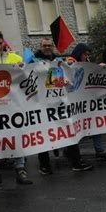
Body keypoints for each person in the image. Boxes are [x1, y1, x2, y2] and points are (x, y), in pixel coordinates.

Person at [28, 38, 93, 173]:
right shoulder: (32, 61)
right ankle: (44, 166)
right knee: (43, 135)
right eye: (44, 45)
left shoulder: (59, 61)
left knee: (70, 130)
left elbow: (68, 78)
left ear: (53, 46)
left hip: (60, 103)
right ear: (40, 47)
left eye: (49, 45)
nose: (47, 47)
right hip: (42, 105)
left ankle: (76, 162)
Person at [0, 31, 32, 184]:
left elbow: (25, 76)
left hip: (14, 102)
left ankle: (20, 169)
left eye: (1, 43)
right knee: (1, 138)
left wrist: (23, 68)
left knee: (17, 134)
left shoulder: (15, 58)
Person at [68, 43, 106, 162]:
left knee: (95, 125)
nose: (86, 56)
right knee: (78, 128)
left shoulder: (87, 62)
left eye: (88, 54)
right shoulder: (70, 60)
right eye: (85, 54)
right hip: (76, 102)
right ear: (79, 53)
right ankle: (71, 151)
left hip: (87, 101)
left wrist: (99, 67)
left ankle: (100, 151)